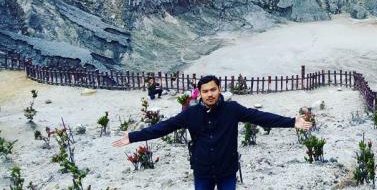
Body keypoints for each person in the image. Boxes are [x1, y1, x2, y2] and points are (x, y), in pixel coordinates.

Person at [113, 75, 313, 190]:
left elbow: (259, 117)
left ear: (219, 90)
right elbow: (162, 127)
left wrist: (291, 122)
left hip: (227, 171)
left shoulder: (232, 109)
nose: (209, 94)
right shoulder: (190, 114)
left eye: (213, 90)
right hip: (202, 172)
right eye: (205, 91)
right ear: (200, 93)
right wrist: (133, 136)